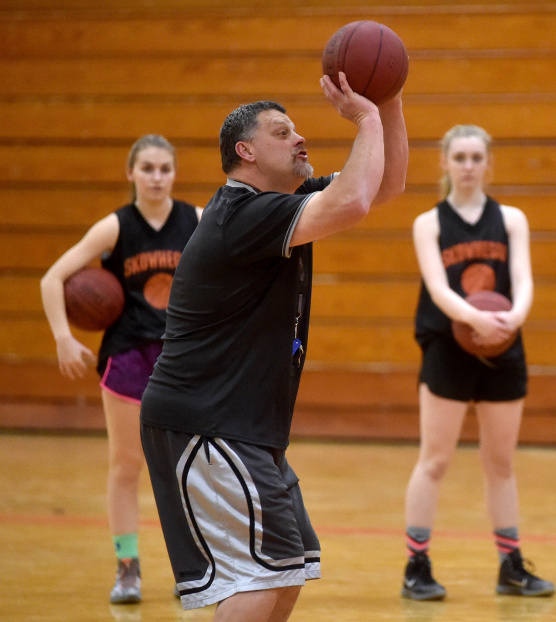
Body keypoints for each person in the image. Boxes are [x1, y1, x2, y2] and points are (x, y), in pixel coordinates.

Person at [138, 73, 407, 621]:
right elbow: (353, 202)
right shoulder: (243, 214)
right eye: (283, 132)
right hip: (207, 424)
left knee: (286, 572)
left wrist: (390, 100)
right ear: (246, 151)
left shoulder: (278, 204)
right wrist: (367, 119)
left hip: (241, 427)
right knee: (261, 578)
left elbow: (384, 186)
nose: (300, 138)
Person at [39, 135, 201, 605]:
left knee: (184, 466)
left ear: (174, 173)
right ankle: (127, 567)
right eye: (147, 168)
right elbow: (53, 278)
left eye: (165, 168)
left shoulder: (196, 220)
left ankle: (191, 564)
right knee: (127, 465)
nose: (156, 176)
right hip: (128, 356)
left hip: (180, 359)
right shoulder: (116, 227)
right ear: (130, 173)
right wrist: (63, 337)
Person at [401, 124, 555, 601]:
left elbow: (524, 280)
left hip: (502, 343)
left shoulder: (511, 219)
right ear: (444, 163)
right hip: (448, 345)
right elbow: (437, 287)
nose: (468, 166)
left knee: (501, 462)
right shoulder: (429, 223)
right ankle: (416, 566)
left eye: (475, 158)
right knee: (436, 459)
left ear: (488, 164)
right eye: (459, 157)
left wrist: (512, 319)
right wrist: (475, 320)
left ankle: (510, 565)